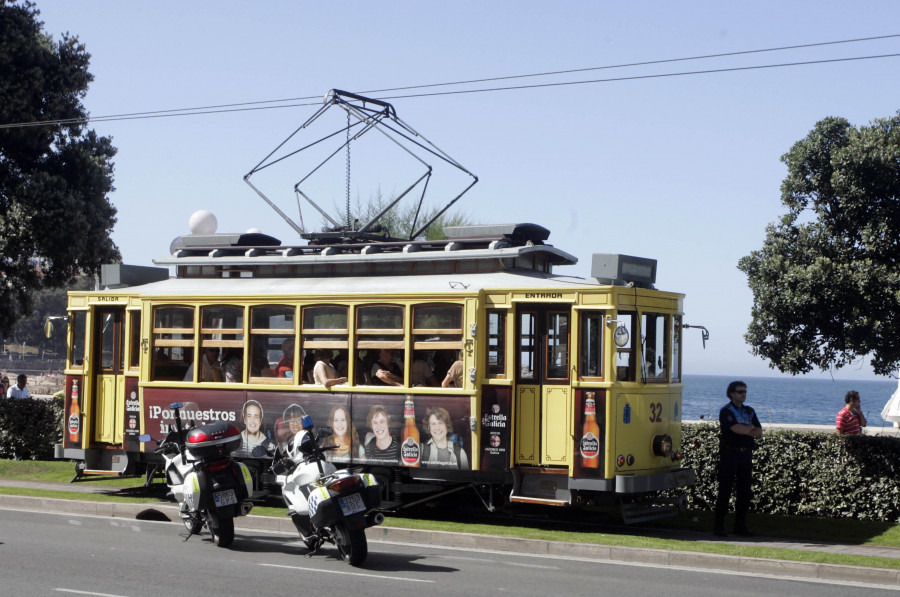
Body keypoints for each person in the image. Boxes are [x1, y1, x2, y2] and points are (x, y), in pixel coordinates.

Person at [714, 380, 762, 538]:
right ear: (732, 394)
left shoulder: (749, 411)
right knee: (725, 490)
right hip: (730, 454)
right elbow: (736, 429)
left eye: (745, 391)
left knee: (744, 491)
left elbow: (759, 431)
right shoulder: (726, 411)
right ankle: (719, 526)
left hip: (746, 454)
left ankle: (740, 526)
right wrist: (748, 428)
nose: (743, 394)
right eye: (740, 392)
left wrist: (745, 429)